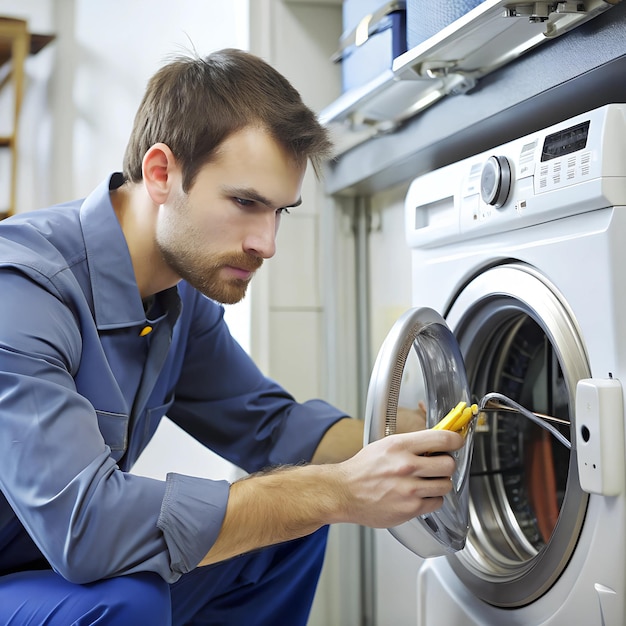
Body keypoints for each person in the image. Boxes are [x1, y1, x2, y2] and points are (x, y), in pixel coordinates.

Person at [0, 48, 463, 625]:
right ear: (161, 172)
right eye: (245, 202)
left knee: (286, 528)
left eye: (280, 212)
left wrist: (422, 434)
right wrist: (338, 491)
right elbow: (87, 529)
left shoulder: (179, 298)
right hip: (29, 569)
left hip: (48, 571)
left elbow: (270, 428)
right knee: (129, 601)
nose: (266, 243)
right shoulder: (22, 288)